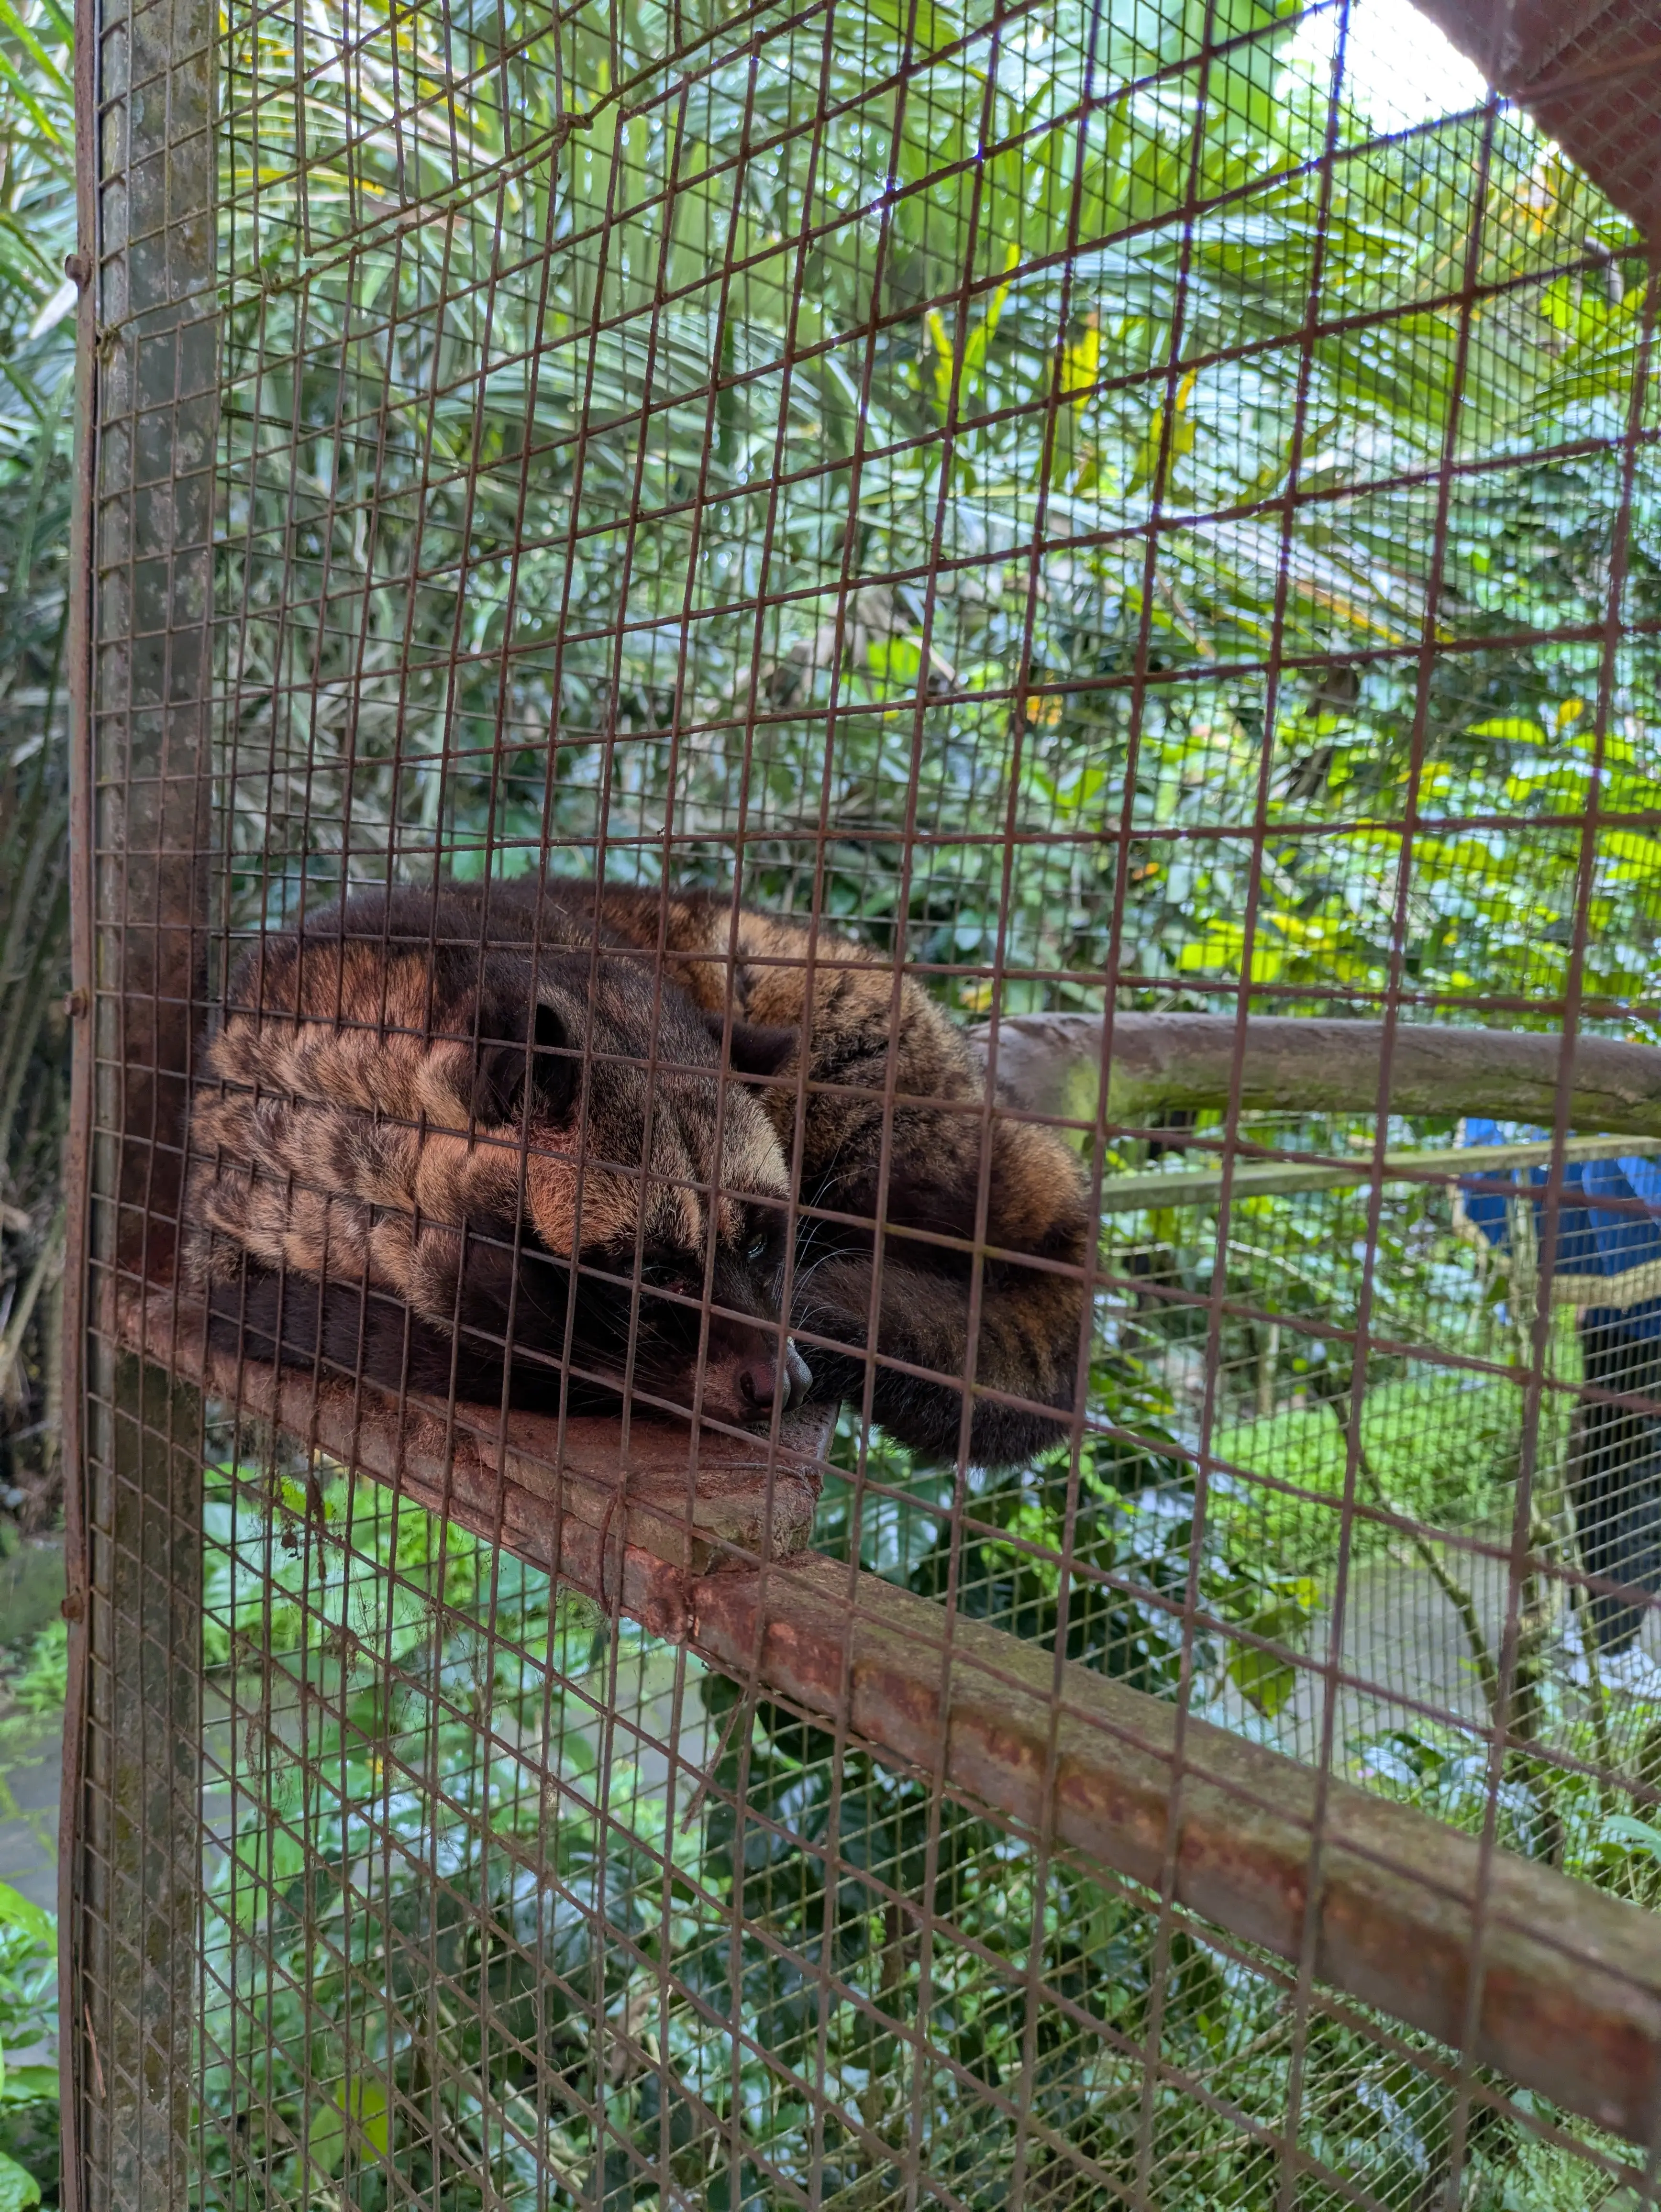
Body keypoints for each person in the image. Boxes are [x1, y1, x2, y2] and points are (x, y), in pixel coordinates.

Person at [1459, 1120, 1661, 1656]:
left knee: (1616, 1478)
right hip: (1631, 1337)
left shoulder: (1617, 1162)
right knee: (1623, 1480)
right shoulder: (1620, 1163)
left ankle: (1603, 1636)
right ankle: (1610, 1641)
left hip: (1623, 1335)